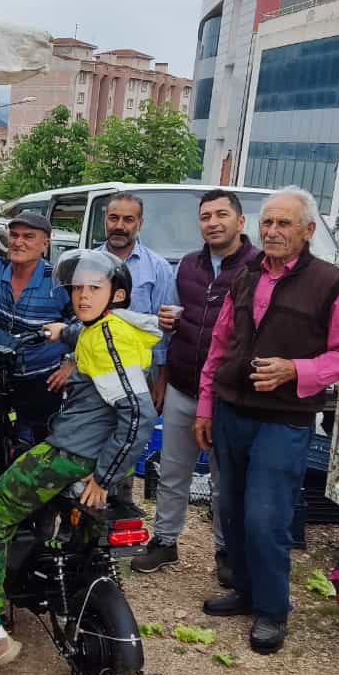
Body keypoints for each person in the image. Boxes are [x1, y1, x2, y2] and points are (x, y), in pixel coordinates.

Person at [0, 250, 159, 674]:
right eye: (77, 288)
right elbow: (85, 336)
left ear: (116, 294)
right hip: (86, 445)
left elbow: (139, 414)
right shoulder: (103, 327)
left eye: (93, 289)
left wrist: (104, 476)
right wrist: (59, 333)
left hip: (71, 454)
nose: (82, 296)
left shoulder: (104, 340)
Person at [195, 187, 339, 654]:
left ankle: (272, 611)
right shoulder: (246, 275)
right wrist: (206, 405)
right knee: (228, 509)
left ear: (308, 231)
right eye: (267, 222)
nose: (271, 231)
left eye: (284, 224)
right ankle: (246, 592)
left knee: (266, 518)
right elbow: (221, 345)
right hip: (231, 411)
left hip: (284, 420)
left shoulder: (331, 284)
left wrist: (297, 370)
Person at [132, 190, 259, 580]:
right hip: (183, 386)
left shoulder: (258, 268)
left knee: (225, 479)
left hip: (229, 393)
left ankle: (224, 550)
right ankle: (165, 541)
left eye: (222, 214)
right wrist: (165, 370)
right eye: (206, 216)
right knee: (172, 471)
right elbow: (168, 325)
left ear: (240, 221)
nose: (213, 222)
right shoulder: (187, 265)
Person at [96, 193, 176, 517]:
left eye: (128, 219)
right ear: (105, 220)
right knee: (96, 431)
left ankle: (123, 497)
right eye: (114, 218)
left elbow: (164, 328)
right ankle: (92, 495)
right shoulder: (88, 262)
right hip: (95, 368)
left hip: (137, 372)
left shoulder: (158, 268)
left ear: (140, 224)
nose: (120, 226)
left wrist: (162, 380)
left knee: (131, 433)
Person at [0, 210, 75, 441]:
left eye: (28, 236)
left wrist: (71, 363)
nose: (18, 242)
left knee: (37, 448)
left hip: (42, 380)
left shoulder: (59, 280)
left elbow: (84, 324)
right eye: (14, 235)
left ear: (45, 244)